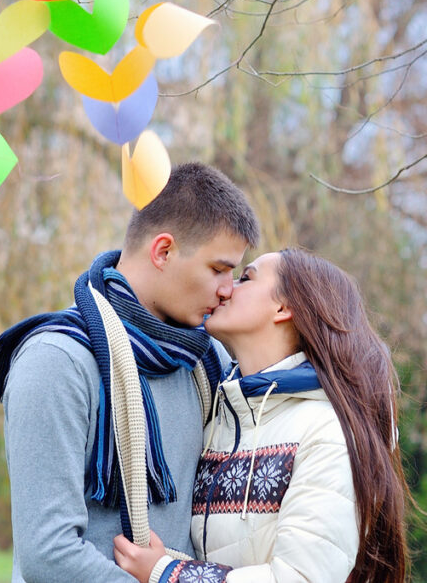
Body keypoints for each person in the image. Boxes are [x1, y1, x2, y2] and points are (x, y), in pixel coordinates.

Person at [0, 162, 259, 583]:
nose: (228, 289)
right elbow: (49, 556)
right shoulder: (57, 360)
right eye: (218, 269)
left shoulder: (206, 360)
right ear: (163, 251)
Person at [114, 248, 409, 583]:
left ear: (283, 308)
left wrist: (168, 574)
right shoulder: (221, 419)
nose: (226, 289)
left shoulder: (326, 433)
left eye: (245, 278)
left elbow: (301, 578)